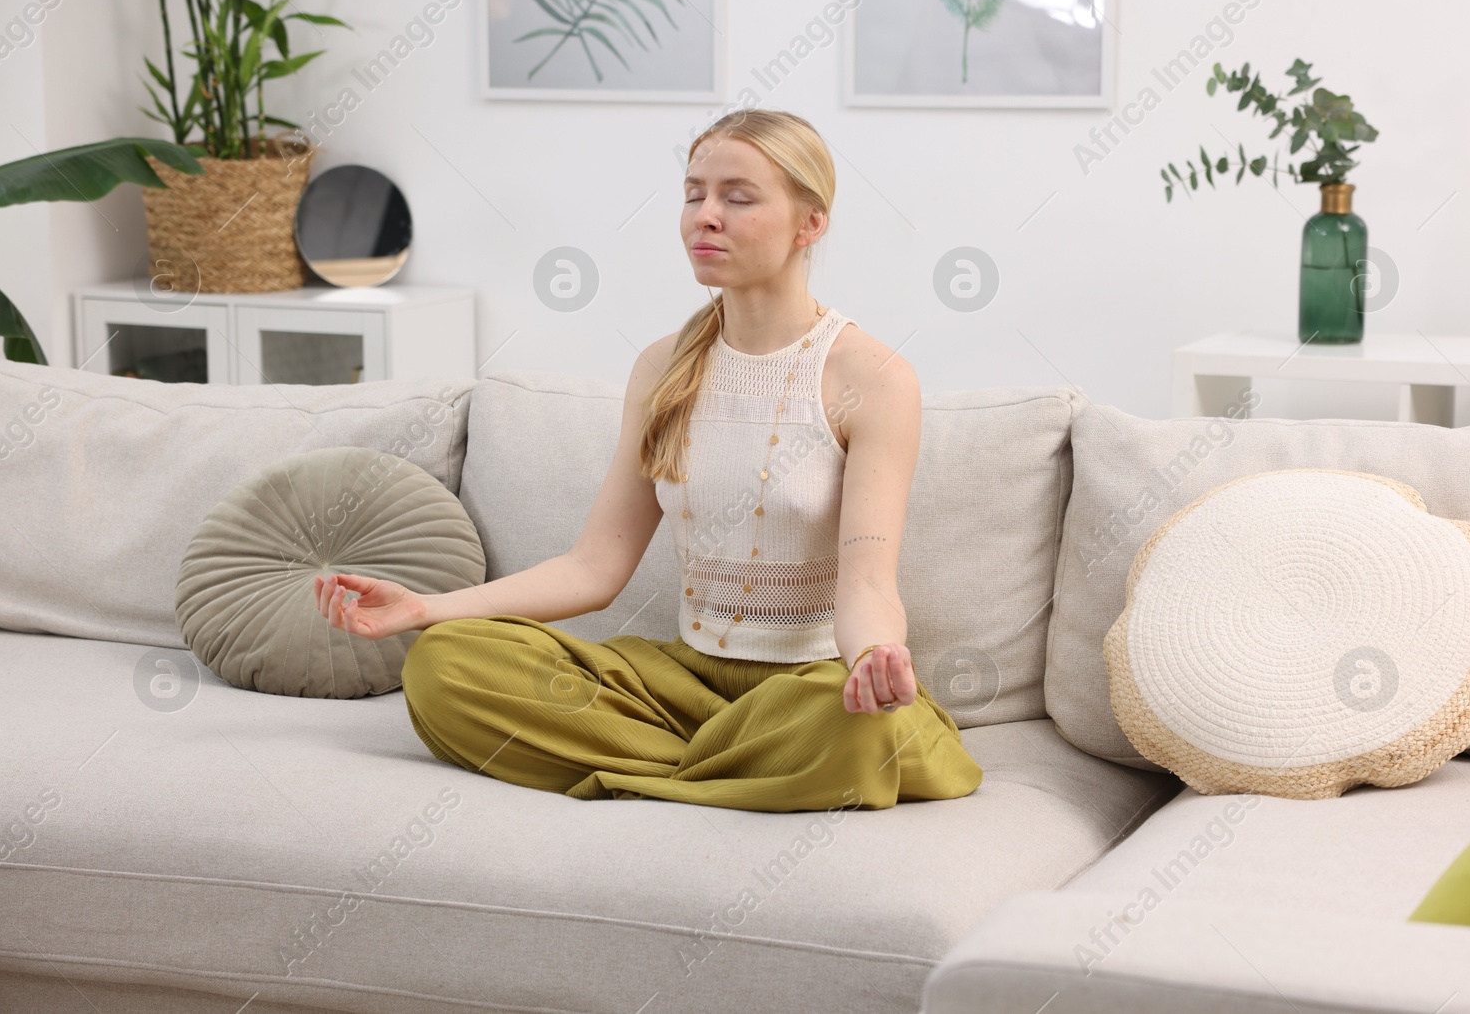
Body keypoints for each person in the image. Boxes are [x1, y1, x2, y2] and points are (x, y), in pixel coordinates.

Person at [312, 108, 983, 812]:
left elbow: (867, 581)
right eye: (694, 193)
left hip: (807, 686)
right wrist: (426, 609)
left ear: (809, 223)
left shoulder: (870, 376)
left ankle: (674, 770)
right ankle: (732, 772)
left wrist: (876, 655)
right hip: (679, 686)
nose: (706, 216)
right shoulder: (662, 366)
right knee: (444, 665)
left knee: (862, 725)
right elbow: (593, 567)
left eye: (738, 197)